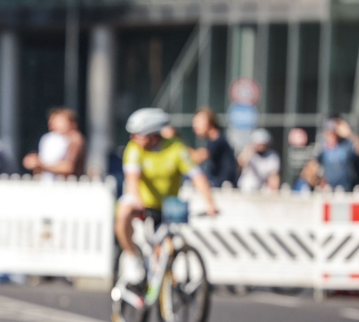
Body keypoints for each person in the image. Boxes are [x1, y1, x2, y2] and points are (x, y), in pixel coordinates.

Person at [116, 108, 218, 284]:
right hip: (141, 200)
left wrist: (210, 203)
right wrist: (139, 202)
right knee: (123, 214)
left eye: (137, 135)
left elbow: (197, 177)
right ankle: (132, 255)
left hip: (165, 205)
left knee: (162, 250)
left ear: (153, 135)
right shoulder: (134, 149)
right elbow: (132, 180)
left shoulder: (176, 148)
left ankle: (164, 283)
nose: (132, 138)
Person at [22, 107, 86, 179]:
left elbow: (69, 167)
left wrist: (40, 164)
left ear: (71, 123)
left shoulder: (75, 139)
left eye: (59, 121)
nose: (53, 124)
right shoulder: (52, 139)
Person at [316, 116, 359, 191]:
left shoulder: (346, 145)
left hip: (347, 189)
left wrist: (350, 134)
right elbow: (315, 165)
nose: (332, 134)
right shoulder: (323, 147)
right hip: (329, 190)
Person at [191, 107, 237, 188]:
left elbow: (197, 157)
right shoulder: (213, 140)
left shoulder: (217, 140)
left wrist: (177, 144)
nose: (195, 125)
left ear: (210, 122)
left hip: (223, 188)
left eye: (198, 121)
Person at [237, 128, 282, 193]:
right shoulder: (249, 152)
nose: (261, 147)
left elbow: (274, 176)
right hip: (246, 187)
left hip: (263, 188)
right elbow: (240, 164)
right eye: (258, 144)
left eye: (263, 144)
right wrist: (249, 151)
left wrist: (274, 190)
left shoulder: (272, 156)